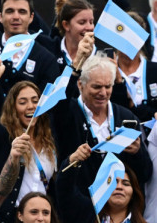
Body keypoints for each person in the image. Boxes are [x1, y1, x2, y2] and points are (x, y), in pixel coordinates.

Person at [53, 34, 152, 195]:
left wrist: (137, 153)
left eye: (108, 86)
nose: (103, 93)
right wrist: (76, 64)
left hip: (117, 208)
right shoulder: (67, 112)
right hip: (79, 205)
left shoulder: (126, 117)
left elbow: (145, 174)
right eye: (97, 87)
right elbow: (61, 98)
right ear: (80, 84)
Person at [0, 63, 57, 222]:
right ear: (13, 108)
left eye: (35, 101)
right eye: (23, 102)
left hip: (41, 218)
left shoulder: (49, 140)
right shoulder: (4, 137)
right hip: (12, 217)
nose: (30, 107)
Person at [57, 146, 147, 223]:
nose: (119, 187)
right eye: (113, 182)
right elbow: (65, 191)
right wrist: (73, 160)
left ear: (133, 193)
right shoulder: (87, 215)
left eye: (126, 184)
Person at [109, 12, 157, 122]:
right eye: (124, 35)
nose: (129, 41)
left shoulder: (154, 71)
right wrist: (118, 83)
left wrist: (133, 106)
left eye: (134, 36)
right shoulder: (106, 72)